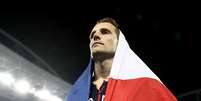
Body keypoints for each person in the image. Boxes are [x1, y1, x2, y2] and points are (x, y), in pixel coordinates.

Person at [66, 17, 177, 101]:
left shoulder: (144, 85)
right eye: (92, 35)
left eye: (105, 32)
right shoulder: (75, 93)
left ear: (120, 43)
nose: (95, 36)